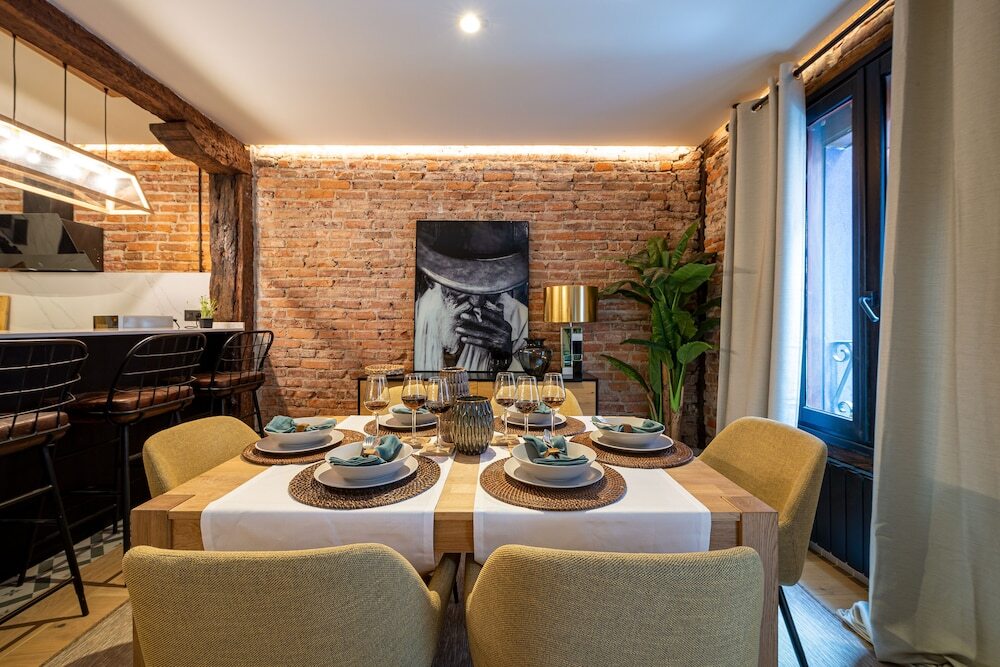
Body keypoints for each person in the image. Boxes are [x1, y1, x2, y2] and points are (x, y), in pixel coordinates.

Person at [414, 221, 528, 372]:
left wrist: (504, 358)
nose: (477, 301)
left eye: (490, 288)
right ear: (431, 281)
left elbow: (525, 384)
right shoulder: (419, 312)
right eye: (463, 287)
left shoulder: (521, 319)